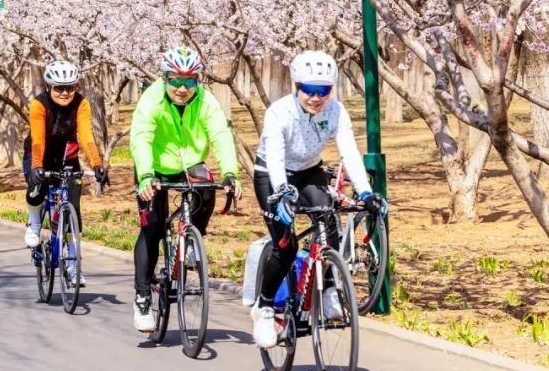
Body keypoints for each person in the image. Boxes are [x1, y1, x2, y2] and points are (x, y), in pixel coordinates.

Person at [249, 50, 387, 349]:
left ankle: (327, 292)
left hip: (309, 171)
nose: (316, 97)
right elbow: (274, 156)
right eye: (309, 90)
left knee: (330, 225)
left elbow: (349, 151)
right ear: (296, 87)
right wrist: (282, 191)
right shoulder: (279, 112)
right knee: (286, 245)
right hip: (272, 175)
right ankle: (264, 307)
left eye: (323, 90)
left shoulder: (336, 110)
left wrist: (365, 192)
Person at [129, 46, 240, 333]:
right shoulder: (151, 99)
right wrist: (144, 176)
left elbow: (220, 134)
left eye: (189, 81)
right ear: (164, 78)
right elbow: (140, 137)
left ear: (197, 82)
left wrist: (231, 172)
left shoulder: (206, 101)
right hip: (153, 166)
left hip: (190, 162)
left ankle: (193, 240)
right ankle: (142, 297)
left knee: (207, 188)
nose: (181, 88)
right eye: (175, 80)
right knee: (152, 228)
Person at [22, 60, 109, 287]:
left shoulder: (81, 104)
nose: (65, 92)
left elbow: (87, 137)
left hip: (67, 158)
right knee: (36, 190)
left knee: (73, 208)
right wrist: (37, 167)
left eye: (70, 87)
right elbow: (38, 139)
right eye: (59, 87)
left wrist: (97, 164)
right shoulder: (39, 105)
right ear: (48, 87)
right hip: (39, 153)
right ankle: (33, 223)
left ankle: (73, 265)